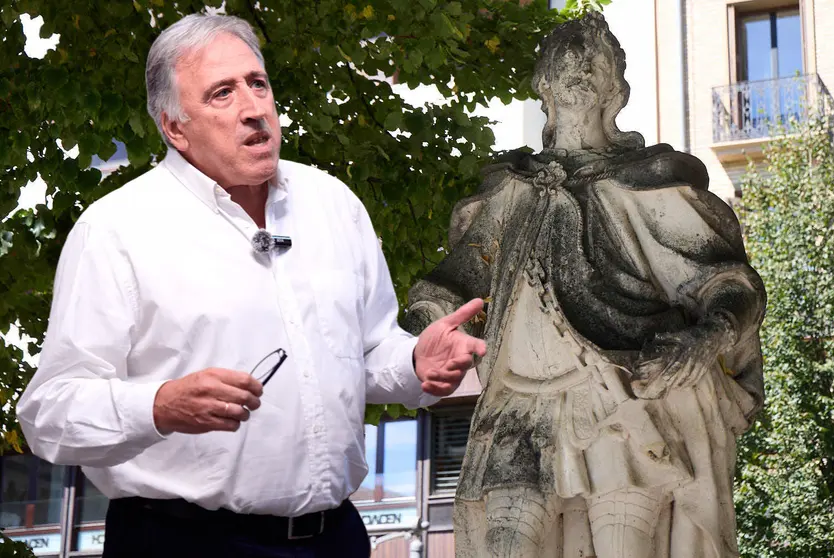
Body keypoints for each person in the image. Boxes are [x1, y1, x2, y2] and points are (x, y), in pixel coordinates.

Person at [15, 13, 485, 558]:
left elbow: (370, 350)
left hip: (336, 537)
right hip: (181, 542)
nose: (253, 108)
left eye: (257, 84)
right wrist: (159, 406)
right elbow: (49, 414)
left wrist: (414, 362)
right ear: (175, 127)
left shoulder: (333, 204)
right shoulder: (117, 229)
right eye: (221, 93)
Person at [402, 13, 765, 558]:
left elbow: (728, 283)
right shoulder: (511, 188)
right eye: (562, 57)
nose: (575, 67)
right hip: (517, 406)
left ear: (616, 88)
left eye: (591, 59)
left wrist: (707, 336)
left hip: (620, 398)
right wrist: (427, 327)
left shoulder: (649, 177)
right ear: (541, 84)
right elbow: (448, 286)